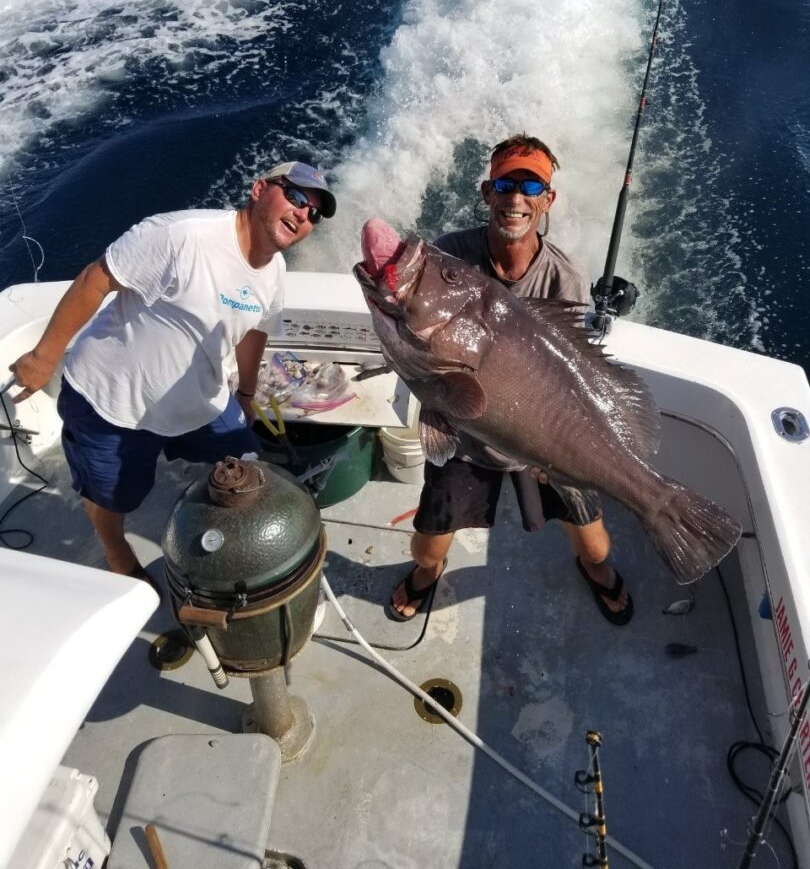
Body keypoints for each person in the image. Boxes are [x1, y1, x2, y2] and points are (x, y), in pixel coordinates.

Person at [9, 161, 336, 588]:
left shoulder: (274, 272)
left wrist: (245, 394)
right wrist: (43, 357)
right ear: (259, 189)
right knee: (112, 498)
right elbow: (96, 280)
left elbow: (254, 331)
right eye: (295, 198)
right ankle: (115, 550)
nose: (302, 215)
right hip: (112, 404)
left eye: (314, 213)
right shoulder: (182, 236)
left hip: (200, 399)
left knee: (250, 466)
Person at [389, 135, 633, 625]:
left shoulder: (564, 278)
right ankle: (427, 576)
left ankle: (595, 570)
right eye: (505, 183)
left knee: (598, 548)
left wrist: (549, 451)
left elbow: (569, 375)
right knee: (425, 551)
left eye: (531, 185)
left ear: (548, 199)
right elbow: (413, 326)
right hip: (467, 436)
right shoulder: (450, 259)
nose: (515, 197)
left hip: (544, 438)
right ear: (486, 192)